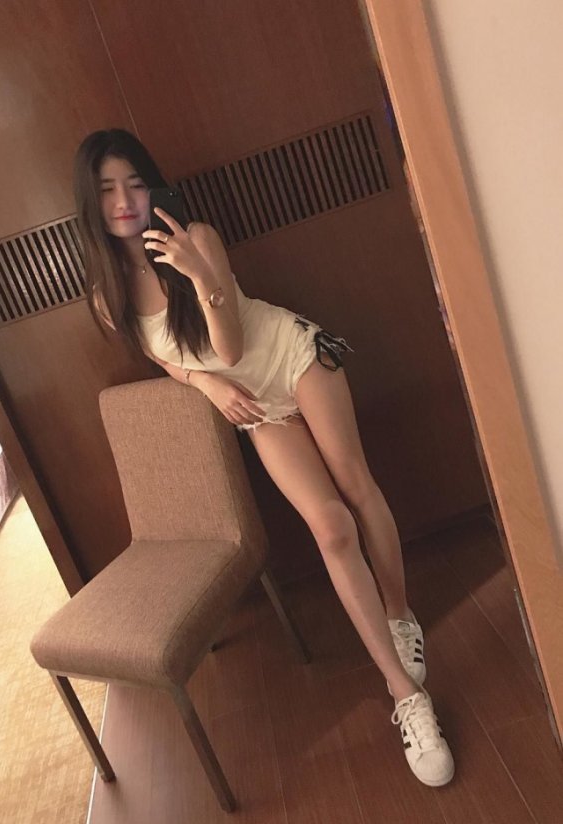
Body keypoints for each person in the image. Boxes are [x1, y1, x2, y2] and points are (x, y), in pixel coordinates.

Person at [74, 128, 455, 788]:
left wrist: (199, 273)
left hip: (294, 356)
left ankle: (400, 615)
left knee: (355, 484)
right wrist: (206, 386)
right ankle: (405, 694)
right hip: (255, 405)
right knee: (331, 527)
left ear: (153, 185)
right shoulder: (107, 296)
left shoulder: (197, 236)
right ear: (91, 201)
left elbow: (229, 343)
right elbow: (169, 359)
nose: (125, 200)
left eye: (134, 182)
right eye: (108, 188)